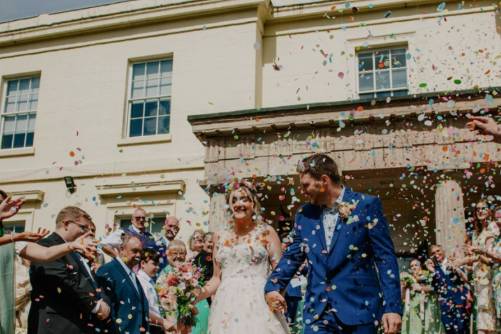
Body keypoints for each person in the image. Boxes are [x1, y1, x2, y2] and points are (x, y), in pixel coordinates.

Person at [265, 153, 402, 334]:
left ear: (323, 180)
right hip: (318, 314)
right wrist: (273, 287)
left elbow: (385, 258)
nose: (302, 191)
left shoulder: (366, 205)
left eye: (305, 185)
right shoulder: (304, 214)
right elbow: (293, 255)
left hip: (360, 310)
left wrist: (392, 307)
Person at [196, 180, 288, 333]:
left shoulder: (267, 232)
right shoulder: (219, 235)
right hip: (226, 304)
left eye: (244, 199)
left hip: (259, 301)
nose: (238, 204)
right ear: (230, 206)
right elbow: (216, 278)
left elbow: (280, 273)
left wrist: (277, 296)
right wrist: (198, 294)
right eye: (234, 200)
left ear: (253, 204)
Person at [28, 206, 111, 334]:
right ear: (66, 224)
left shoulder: (75, 252)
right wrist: (95, 306)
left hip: (78, 324)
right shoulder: (46, 245)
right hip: (57, 325)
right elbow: (62, 279)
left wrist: (103, 302)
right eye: (83, 227)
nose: (86, 233)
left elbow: (91, 283)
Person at [96, 233, 150, 333]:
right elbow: (105, 306)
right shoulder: (108, 270)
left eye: (140, 252)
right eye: (134, 251)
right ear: (122, 249)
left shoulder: (132, 274)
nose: (138, 255)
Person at [158, 240, 210, 334]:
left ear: (186, 255)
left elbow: (199, 291)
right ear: (168, 255)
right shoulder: (164, 274)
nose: (178, 256)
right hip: (173, 315)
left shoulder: (191, 270)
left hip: (196, 313)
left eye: (181, 253)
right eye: (174, 253)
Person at [426, 245, 471, 334]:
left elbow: (465, 280)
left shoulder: (453, 261)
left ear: (443, 250)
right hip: (445, 305)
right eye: (433, 253)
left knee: (462, 329)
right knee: (449, 330)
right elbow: (436, 287)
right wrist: (432, 271)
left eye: (438, 251)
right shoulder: (434, 269)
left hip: (459, 302)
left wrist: (457, 268)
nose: (436, 254)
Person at [470, 200, 498, 333]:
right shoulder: (476, 232)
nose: (480, 211)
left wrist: (477, 253)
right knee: (481, 314)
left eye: (483, 208)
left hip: (489, 276)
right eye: (477, 209)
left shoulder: (493, 227)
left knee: (488, 314)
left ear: (489, 211)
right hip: (478, 277)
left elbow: (490, 257)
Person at [400, 259, 444, 334]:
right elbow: (402, 297)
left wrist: (420, 288)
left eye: (416, 265)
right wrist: (403, 287)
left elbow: (435, 289)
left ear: (420, 267)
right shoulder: (408, 279)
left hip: (426, 307)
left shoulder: (428, 276)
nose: (413, 267)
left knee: (427, 328)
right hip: (412, 308)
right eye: (411, 266)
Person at [137, 250, 173, 334]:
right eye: (154, 264)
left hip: (157, 325)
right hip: (149, 326)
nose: (157, 267)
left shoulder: (150, 281)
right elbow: (143, 309)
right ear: (142, 263)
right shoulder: (140, 282)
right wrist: (163, 322)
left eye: (158, 264)